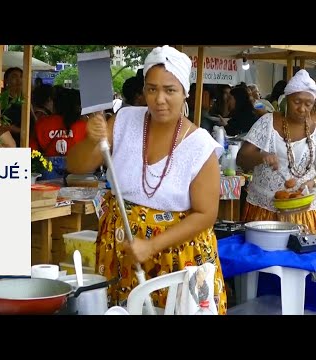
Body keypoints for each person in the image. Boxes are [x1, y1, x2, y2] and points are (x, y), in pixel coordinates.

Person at [66, 45, 227, 314]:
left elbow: (206, 214)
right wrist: (91, 140)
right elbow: (77, 165)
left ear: (185, 92)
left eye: (170, 90)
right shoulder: (124, 121)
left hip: (177, 259)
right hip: (123, 247)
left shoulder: (200, 145)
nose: (159, 99)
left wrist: (152, 245)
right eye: (151, 89)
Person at [237, 69, 316, 227]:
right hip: (264, 210)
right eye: (297, 102)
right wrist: (261, 157)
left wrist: (312, 183)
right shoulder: (267, 122)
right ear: (287, 99)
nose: (302, 109)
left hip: (304, 212)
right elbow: (241, 159)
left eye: (308, 104)